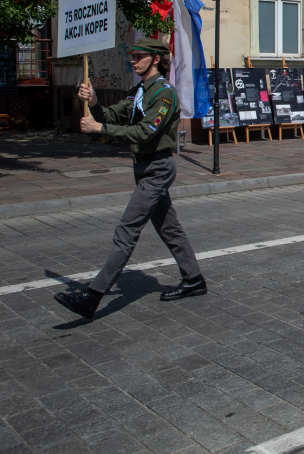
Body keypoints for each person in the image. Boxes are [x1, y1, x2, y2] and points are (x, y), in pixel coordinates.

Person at [54, 38, 205, 320]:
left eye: (138, 56)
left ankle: (92, 295)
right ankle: (194, 279)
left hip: (158, 167)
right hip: (144, 167)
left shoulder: (165, 93)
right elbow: (113, 115)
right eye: (132, 56)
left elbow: (145, 132)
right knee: (169, 228)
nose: (133, 60)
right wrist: (95, 102)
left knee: (126, 230)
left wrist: (100, 127)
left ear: (156, 59)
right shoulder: (139, 91)